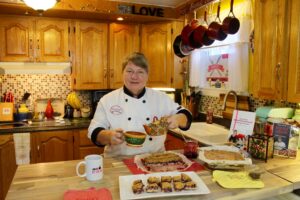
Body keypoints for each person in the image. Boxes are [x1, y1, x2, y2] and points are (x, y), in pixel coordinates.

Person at [88, 52, 192, 157]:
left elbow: (186, 115)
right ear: (122, 73)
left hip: (155, 160)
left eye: (140, 72)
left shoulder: (160, 98)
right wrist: (109, 136)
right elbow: (94, 132)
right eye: (129, 71)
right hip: (118, 161)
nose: (134, 76)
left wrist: (178, 119)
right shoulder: (107, 100)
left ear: (147, 75)